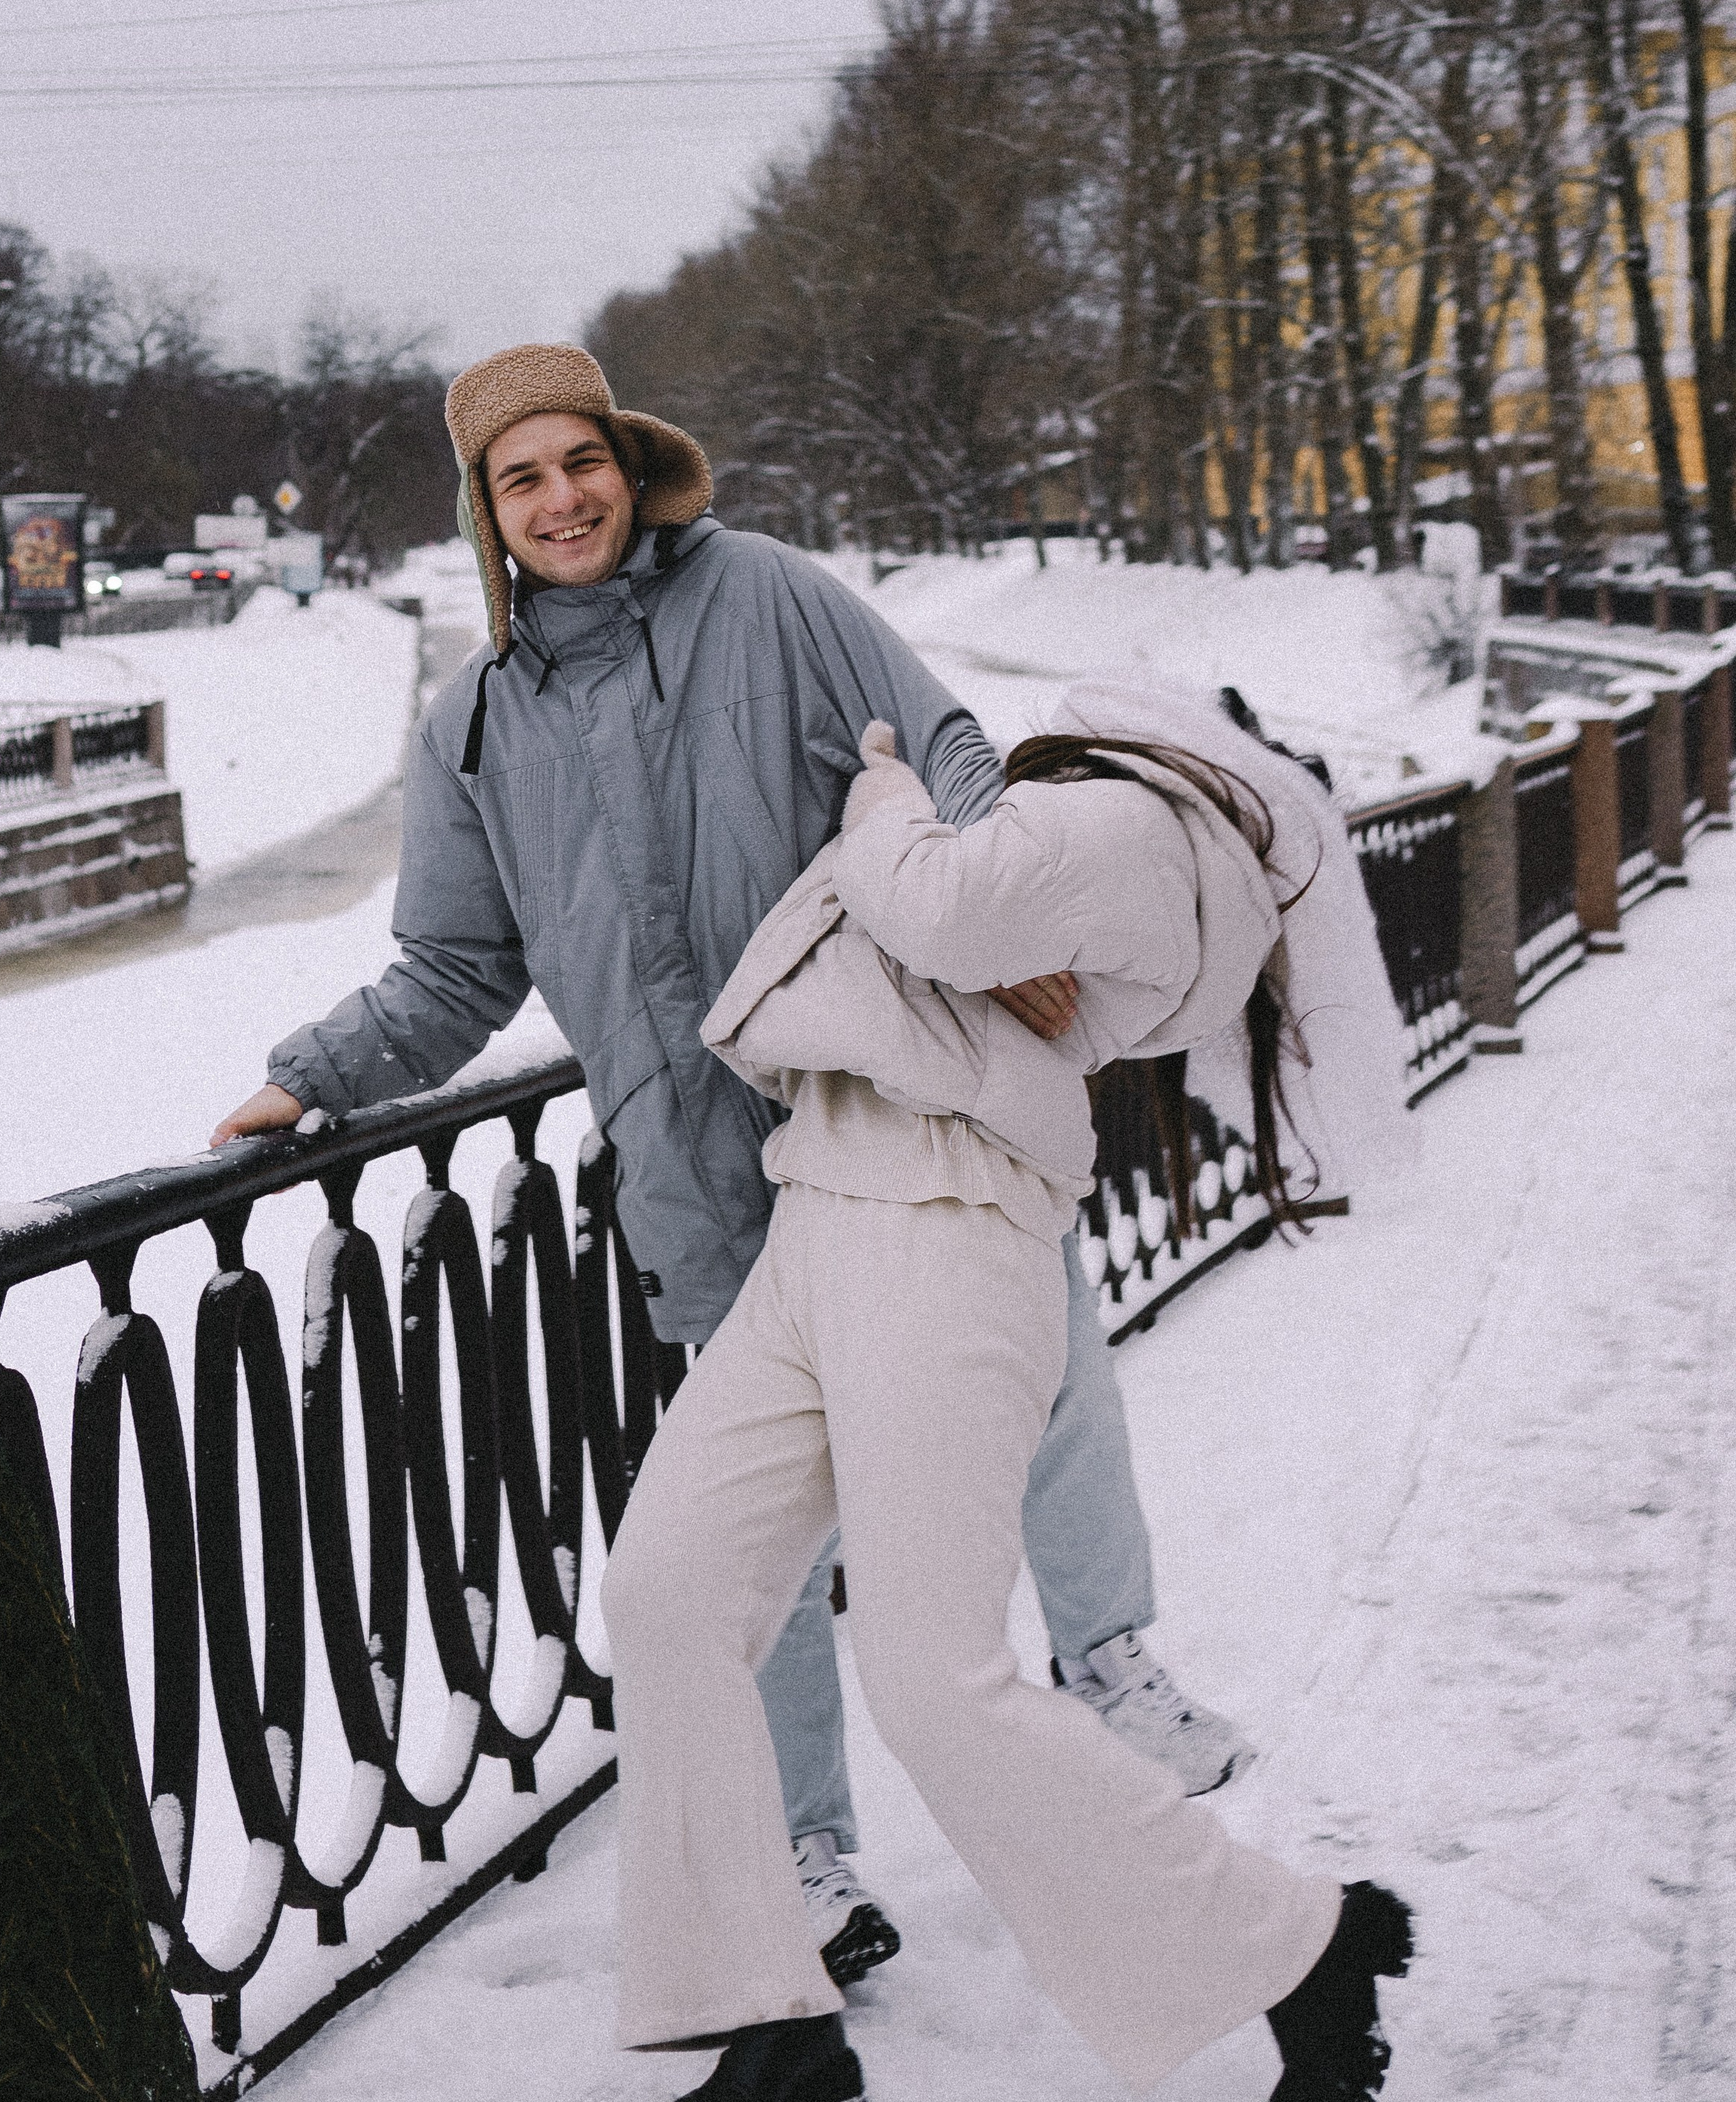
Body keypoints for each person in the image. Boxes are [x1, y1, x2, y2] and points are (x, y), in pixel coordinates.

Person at [212, 343, 1251, 1980]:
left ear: (628, 461)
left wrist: (1000, 911)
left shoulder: (762, 594)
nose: (563, 500)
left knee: (1040, 1370)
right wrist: (307, 1080)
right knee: (759, 1533)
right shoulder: (471, 728)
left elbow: (945, 747)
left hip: (904, 1101)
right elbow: (455, 972)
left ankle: (1109, 1665)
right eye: (522, 477)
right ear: (485, 511)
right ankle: (811, 1856)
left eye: (581, 462)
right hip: (699, 1166)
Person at [602, 712, 1413, 2102]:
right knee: (668, 1593)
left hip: (947, 1232)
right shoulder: (1097, 847)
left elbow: (934, 900)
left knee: (937, 1682)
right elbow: (952, 920)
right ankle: (768, 2019)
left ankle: (1298, 1947)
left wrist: (885, 785)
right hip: (825, 1206)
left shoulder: (1135, 833)